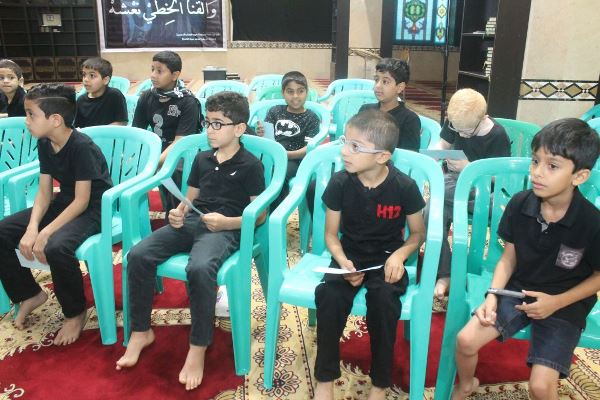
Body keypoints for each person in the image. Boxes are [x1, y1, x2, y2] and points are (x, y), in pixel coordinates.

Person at [116, 92, 265, 391]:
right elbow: (191, 198)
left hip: (225, 229)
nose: (210, 129)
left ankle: (198, 345)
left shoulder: (250, 165)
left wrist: (228, 223)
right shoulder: (202, 158)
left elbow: (259, 215)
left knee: (199, 268)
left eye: (218, 124)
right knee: (138, 255)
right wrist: (178, 212)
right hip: (195, 221)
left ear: (239, 128)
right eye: (208, 122)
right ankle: (141, 331)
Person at [452, 118, 600, 400]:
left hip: (565, 303)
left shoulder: (591, 222)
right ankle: (466, 384)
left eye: (552, 166)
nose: (537, 172)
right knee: (465, 340)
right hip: (518, 290)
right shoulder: (520, 203)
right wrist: (493, 295)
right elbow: (508, 259)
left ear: (579, 176)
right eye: (535, 161)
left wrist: (556, 302)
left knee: (541, 387)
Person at [313, 110, 426, 400]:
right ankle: (324, 378)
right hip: (349, 255)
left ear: (382, 156)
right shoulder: (340, 183)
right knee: (329, 297)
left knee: (384, 302)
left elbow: (417, 234)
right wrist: (342, 262)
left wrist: (400, 255)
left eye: (355, 147)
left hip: (387, 258)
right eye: (345, 142)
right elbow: (330, 235)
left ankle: (380, 383)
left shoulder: (404, 187)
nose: (344, 151)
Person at [0, 83, 112, 345]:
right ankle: (29, 294)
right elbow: (44, 192)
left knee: (57, 246)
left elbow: (82, 201)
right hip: (65, 203)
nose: (26, 120)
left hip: (93, 209)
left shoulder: (82, 147)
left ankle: (75, 312)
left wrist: (46, 232)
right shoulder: (45, 142)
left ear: (55, 120)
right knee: (3, 232)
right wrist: (32, 227)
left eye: (31, 114)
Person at [432, 88, 511, 299]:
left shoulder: (497, 135)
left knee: (442, 190)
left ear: (483, 118)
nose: (460, 135)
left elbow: (501, 178)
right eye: (456, 129)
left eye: (466, 131)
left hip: (484, 191)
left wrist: (469, 167)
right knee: (432, 210)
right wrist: (432, 156)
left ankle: (489, 271)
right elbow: (443, 144)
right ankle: (445, 273)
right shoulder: (456, 121)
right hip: (456, 187)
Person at [132, 50, 202, 212]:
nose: (153, 75)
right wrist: (133, 157)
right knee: (126, 165)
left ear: (175, 75)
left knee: (174, 170)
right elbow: (138, 133)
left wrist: (154, 162)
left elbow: (180, 142)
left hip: (182, 152)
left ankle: (176, 213)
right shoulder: (146, 97)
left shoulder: (187, 101)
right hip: (157, 150)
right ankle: (136, 212)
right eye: (152, 69)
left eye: (159, 71)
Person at [255, 70, 320, 208]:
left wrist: (286, 155)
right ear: (283, 93)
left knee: (279, 173)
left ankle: (276, 211)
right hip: (272, 155)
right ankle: (254, 207)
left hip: (295, 160)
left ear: (306, 92)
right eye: (290, 91)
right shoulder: (275, 111)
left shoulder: (311, 117)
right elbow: (268, 139)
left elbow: (309, 149)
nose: (295, 96)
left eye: (300, 91)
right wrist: (261, 134)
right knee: (253, 167)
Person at [359, 58, 421, 152]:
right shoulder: (365, 110)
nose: (378, 86)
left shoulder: (409, 120)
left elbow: (409, 156)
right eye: (376, 80)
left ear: (400, 87)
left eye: (385, 82)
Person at [73, 57, 128, 128]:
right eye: (84, 75)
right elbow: (78, 126)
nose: (85, 79)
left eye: (92, 75)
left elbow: (122, 122)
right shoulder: (81, 100)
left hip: (110, 134)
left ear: (105, 80)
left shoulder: (115, 95)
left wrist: (100, 132)